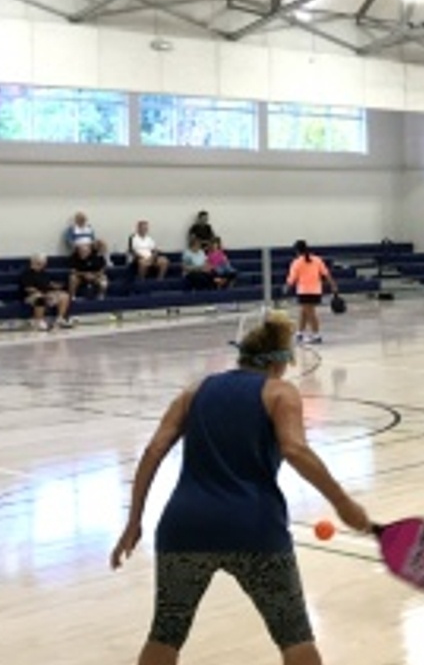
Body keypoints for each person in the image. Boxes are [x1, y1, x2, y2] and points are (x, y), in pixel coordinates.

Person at [109, 311, 370, 665]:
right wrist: (342, 503)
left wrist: (134, 521)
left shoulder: (195, 390)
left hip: (185, 526)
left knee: (166, 633)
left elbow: (154, 449)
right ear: (282, 361)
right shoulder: (280, 393)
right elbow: (294, 449)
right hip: (254, 528)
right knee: (295, 638)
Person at [286, 241, 336, 344]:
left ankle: (316, 335)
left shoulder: (297, 262)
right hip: (316, 290)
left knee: (310, 313)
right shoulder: (317, 260)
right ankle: (300, 333)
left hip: (304, 291)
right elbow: (326, 274)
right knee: (304, 312)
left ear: (297, 251)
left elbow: (292, 278)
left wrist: (287, 287)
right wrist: (333, 285)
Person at [19, 254, 74, 330]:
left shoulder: (44, 273)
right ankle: (38, 321)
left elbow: (48, 284)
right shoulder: (27, 274)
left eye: (43, 263)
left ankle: (60, 319)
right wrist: (42, 293)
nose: (43, 264)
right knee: (40, 297)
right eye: (40, 262)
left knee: (64, 296)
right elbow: (28, 288)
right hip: (30, 296)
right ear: (34, 262)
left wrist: (56, 287)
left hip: (46, 293)